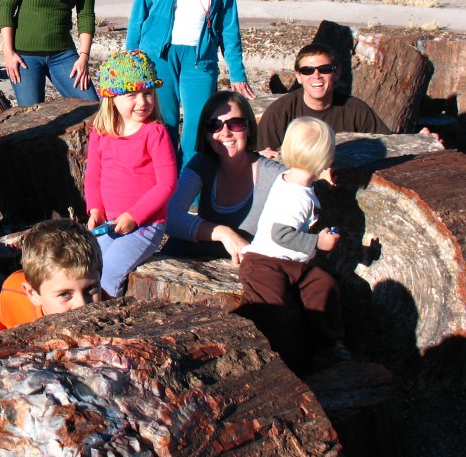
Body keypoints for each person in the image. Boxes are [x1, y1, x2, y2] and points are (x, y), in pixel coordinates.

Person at [126, 0, 254, 169]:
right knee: (165, 121)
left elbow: (229, 28)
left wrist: (237, 71)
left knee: (198, 124)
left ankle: (189, 183)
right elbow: (138, 17)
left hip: (200, 58)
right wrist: (131, 61)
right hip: (159, 57)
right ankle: (164, 179)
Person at [239, 117, 350, 365]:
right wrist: (318, 242)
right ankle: (268, 352)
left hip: (293, 263)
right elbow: (281, 234)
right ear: (324, 158)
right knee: (270, 306)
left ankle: (329, 342)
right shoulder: (295, 196)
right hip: (265, 262)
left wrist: (322, 178)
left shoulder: (293, 179)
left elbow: (305, 184)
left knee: (323, 284)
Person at [84, 50, 176, 296]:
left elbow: (167, 183)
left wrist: (135, 216)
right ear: (112, 98)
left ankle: (109, 313)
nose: (142, 102)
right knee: (86, 268)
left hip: (145, 225)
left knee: (109, 274)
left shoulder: (155, 133)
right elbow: (93, 176)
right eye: (131, 95)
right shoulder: (101, 132)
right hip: (109, 223)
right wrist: (95, 210)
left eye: (148, 93)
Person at [164, 91, 285, 263]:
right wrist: (223, 233)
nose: (226, 132)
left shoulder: (273, 175)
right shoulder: (203, 164)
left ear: (249, 128)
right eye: (215, 125)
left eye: (236, 124)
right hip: (195, 261)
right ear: (206, 133)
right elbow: (170, 215)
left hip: (249, 269)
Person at [258, 42, 390, 156]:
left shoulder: (357, 111)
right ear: (298, 76)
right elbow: (262, 158)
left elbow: (389, 146)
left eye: (325, 69)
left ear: (336, 73)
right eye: (307, 71)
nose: (316, 76)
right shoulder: (279, 112)